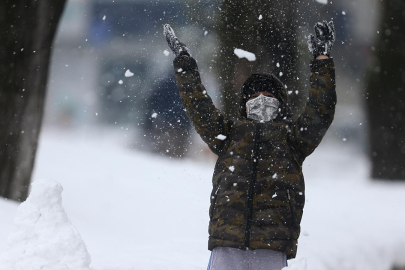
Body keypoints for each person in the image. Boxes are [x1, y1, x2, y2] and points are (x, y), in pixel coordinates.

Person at [163, 21, 336, 270]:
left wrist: (322, 59)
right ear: (244, 105)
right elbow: (199, 107)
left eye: (269, 96)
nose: (261, 100)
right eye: (254, 96)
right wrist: (184, 63)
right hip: (228, 242)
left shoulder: (293, 138)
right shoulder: (229, 133)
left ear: (281, 104)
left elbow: (321, 110)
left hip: (272, 245)